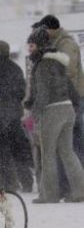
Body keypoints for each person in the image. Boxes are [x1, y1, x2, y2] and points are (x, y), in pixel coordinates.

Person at [25, 28, 84, 203]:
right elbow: (70, 88)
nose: (29, 49)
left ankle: (49, 194)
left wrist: (33, 113)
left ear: (40, 46)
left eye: (32, 45)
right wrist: (74, 106)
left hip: (52, 111)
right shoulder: (59, 63)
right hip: (67, 109)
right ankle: (80, 190)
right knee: (67, 152)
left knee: (48, 154)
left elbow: (43, 93)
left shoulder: (43, 64)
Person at [0, 40, 33, 192]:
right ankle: (27, 182)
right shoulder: (16, 68)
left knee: (2, 153)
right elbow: (21, 91)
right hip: (14, 116)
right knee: (19, 150)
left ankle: (9, 183)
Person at [38, 14, 84, 161]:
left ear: (49, 29)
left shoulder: (66, 44)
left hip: (73, 97)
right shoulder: (55, 43)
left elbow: (68, 69)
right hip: (65, 98)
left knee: (74, 139)